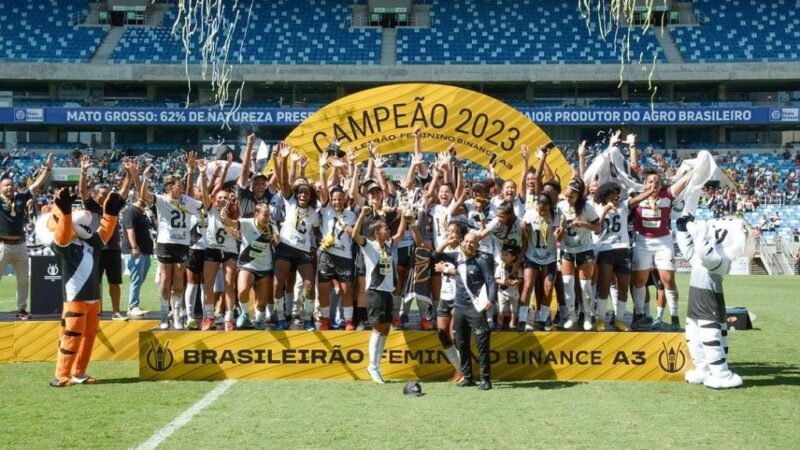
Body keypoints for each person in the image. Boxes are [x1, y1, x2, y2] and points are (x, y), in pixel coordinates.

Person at [46, 188, 125, 387]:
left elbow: (104, 234)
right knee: (71, 337)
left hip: (93, 299)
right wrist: (65, 215)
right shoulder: (64, 246)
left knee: (88, 338)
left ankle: (79, 372)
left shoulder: (91, 242)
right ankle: (62, 374)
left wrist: (111, 214)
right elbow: (62, 236)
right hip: (75, 300)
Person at [140, 153, 203, 330]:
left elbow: (199, 200)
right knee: (166, 279)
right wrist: (145, 177)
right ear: (168, 188)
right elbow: (144, 194)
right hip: (165, 243)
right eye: (177, 185)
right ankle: (163, 314)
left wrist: (192, 170)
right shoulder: (161, 200)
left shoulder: (187, 201)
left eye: (181, 185)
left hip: (182, 244)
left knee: (178, 280)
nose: (180, 188)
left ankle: (176, 314)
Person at [78, 155, 139, 321]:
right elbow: (82, 191)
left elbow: (124, 191)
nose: (106, 197)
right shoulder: (91, 206)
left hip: (112, 249)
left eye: (107, 194)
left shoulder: (112, 207)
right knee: (94, 284)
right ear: (96, 195)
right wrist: (83, 171)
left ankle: (116, 312)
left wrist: (129, 173)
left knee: (114, 283)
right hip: (94, 250)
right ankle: (96, 312)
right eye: (103, 194)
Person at [353, 203, 408, 384]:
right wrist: (362, 213)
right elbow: (355, 235)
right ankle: (372, 366)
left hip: (387, 291)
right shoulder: (369, 245)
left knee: (384, 329)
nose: (388, 230)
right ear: (377, 233)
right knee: (377, 329)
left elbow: (400, 235)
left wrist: (403, 218)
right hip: (375, 292)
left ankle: (377, 365)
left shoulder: (387, 245)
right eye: (385, 228)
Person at [0, 153, 53, 320]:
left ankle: (21, 309)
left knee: (23, 280)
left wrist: (48, 168)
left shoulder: (21, 197)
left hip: (21, 245)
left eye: (11, 185)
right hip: (3, 245)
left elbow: (37, 184)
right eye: (6, 185)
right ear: (0, 188)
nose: (10, 187)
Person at [449, 231, 497, 390]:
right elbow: (436, 255)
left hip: (476, 308)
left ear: (477, 245)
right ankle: (468, 377)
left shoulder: (482, 260)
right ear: (462, 241)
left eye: (472, 242)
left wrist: (490, 298)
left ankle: (485, 379)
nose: (469, 244)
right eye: (467, 241)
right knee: (461, 343)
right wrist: (447, 241)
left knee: (482, 344)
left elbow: (491, 281)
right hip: (459, 307)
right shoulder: (457, 258)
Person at [316, 152, 357, 330]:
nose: (337, 202)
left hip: (345, 256)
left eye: (340, 199)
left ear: (344, 200)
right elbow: (324, 189)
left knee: (346, 290)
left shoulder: (351, 214)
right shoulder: (327, 210)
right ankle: (325, 319)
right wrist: (322, 169)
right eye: (334, 199)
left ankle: (348, 321)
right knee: (324, 289)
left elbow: (355, 234)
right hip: (327, 255)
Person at [555, 178, 601, 331]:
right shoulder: (561, 206)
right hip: (567, 250)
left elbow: (598, 227)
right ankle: (571, 316)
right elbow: (557, 236)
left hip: (585, 249)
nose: (567, 199)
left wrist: (584, 224)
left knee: (585, 285)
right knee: (567, 284)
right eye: (566, 196)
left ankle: (588, 316)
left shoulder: (587, 208)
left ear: (579, 196)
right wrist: (560, 229)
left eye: (571, 197)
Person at [122, 193, 154, 318]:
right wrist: (134, 247)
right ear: (140, 197)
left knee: (140, 279)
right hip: (135, 251)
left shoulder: (142, 212)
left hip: (144, 251)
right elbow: (130, 230)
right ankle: (132, 306)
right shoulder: (131, 211)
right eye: (145, 197)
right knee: (136, 278)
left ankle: (134, 304)